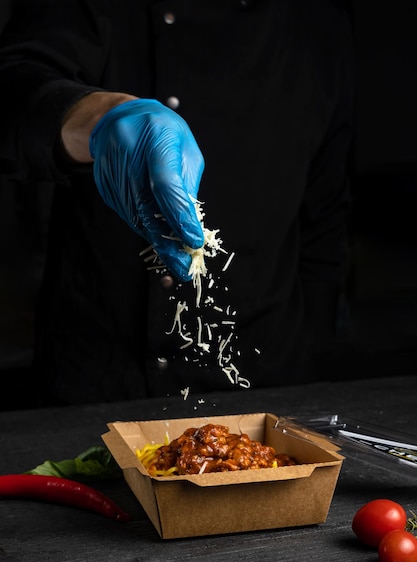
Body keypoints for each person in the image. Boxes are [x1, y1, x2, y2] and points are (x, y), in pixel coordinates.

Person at [0, 0, 354, 406]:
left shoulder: (320, 18)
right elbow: (12, 83)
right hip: (97, 372)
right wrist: (101, 118)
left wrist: (319, 373)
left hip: (267, 371)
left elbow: (326, 213)